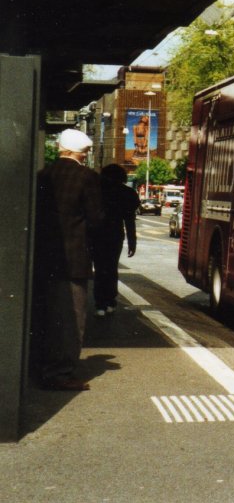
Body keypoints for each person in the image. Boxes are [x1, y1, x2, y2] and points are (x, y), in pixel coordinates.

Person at [34, 129, 104, 391]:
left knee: (47, 314)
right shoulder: (87, 177)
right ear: (83, 152)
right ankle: (60, 373)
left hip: (43, 257)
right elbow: (96, 218)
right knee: (72, 318)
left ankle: (42, 366)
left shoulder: (43, 175)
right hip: (73, 258)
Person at [93, 164, 139, 316]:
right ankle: (110, 301)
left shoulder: (97, 191)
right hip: (115, 235)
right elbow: (130, 221)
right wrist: (132, 241)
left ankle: (100, 304)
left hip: (97, 234)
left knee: (100, 268)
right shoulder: (128, 194)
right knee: (112, 268)